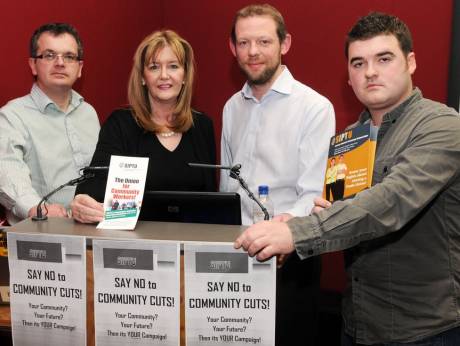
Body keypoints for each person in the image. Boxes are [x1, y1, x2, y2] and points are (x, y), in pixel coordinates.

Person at [235, 12, 460, 345]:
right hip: (358, 322)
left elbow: (391, 202)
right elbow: (340, 215)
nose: (370, 72)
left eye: (383, 59)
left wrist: (295, 233)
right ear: (349, 76)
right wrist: (294, 219)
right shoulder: (350, 140)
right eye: (358, 63)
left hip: (424, 328)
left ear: (410, 62)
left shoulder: (441, 126)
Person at [220, 4, 335, 345]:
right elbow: (227, 185)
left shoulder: (314, 107)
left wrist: (285, 230)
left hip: (291, 261)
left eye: (264, 41)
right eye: (244, 43)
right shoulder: (231, 107)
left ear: (285, 44)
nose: (253, 52)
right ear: (232, 48)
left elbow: (313, 192)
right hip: (235, 256)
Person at [71, 30, 216, 223]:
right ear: (142, 77)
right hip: (136, 245)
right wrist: (83, 201)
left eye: (173, 66)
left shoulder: (202, 126)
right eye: (154, 67)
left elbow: (211, 198)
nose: (164, 75)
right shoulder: (120, 124)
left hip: (191, 243)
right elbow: (94, 185)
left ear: (184, 76)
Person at [0, 23, 99, 224]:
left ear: (79, 68)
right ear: (33, 65)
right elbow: (7, 174)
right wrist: (38, 208)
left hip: (93, 231)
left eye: (69, 56)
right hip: (41, 236)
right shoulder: (11, 116)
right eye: (49, 55)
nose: (60, 63)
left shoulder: (89, 113)